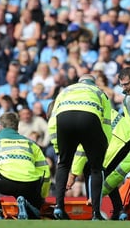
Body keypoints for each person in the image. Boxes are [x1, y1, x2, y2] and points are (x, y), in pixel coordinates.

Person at [47, 74, 111, 220]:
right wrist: (103, 147)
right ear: (93, 83)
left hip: (64, 118)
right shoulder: (100, 92)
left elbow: (52, 122)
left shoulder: (65, 90)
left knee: (63, 164)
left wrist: (58, 149)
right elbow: (106, 122)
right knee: (96, 168)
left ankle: (58, 207)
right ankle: (96, 213)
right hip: (89, 118)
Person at [0, 112, 51, 220]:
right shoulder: (31, 143)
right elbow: (45, 171)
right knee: (33, 214)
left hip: (4, 183)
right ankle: (27, 205)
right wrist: (42, 195)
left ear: (0, 126)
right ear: (17, 127)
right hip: (30, 185)